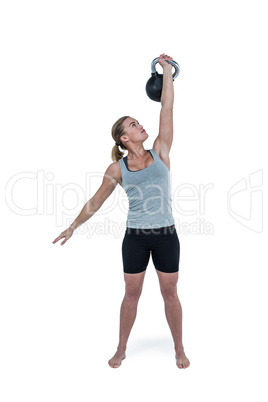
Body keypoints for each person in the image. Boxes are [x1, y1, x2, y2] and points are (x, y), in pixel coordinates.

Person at [52, 53, 190, 369]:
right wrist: (73, 226)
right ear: (123, 139)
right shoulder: (118, 168)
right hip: (136, 238)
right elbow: (96, 201)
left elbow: (166, 108)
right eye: (133, 125)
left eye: (138, 122)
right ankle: (121, 348)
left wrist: (167, 71)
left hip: (166, 234)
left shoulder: (161, 151)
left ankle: (179, 348)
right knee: (131, 295)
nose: (140, 125)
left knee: (171, 294)